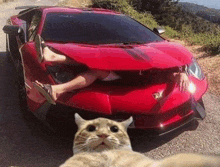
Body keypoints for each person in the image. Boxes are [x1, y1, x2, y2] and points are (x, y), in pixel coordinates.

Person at [33, 35, 190, 105]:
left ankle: (56, 89)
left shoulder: (167, 66)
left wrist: (182, 74)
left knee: (95, 69)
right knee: (93, 59)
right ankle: (53, 57)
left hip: (127, 76)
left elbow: (174, 75)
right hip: (123, 60)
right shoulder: (152, 54)